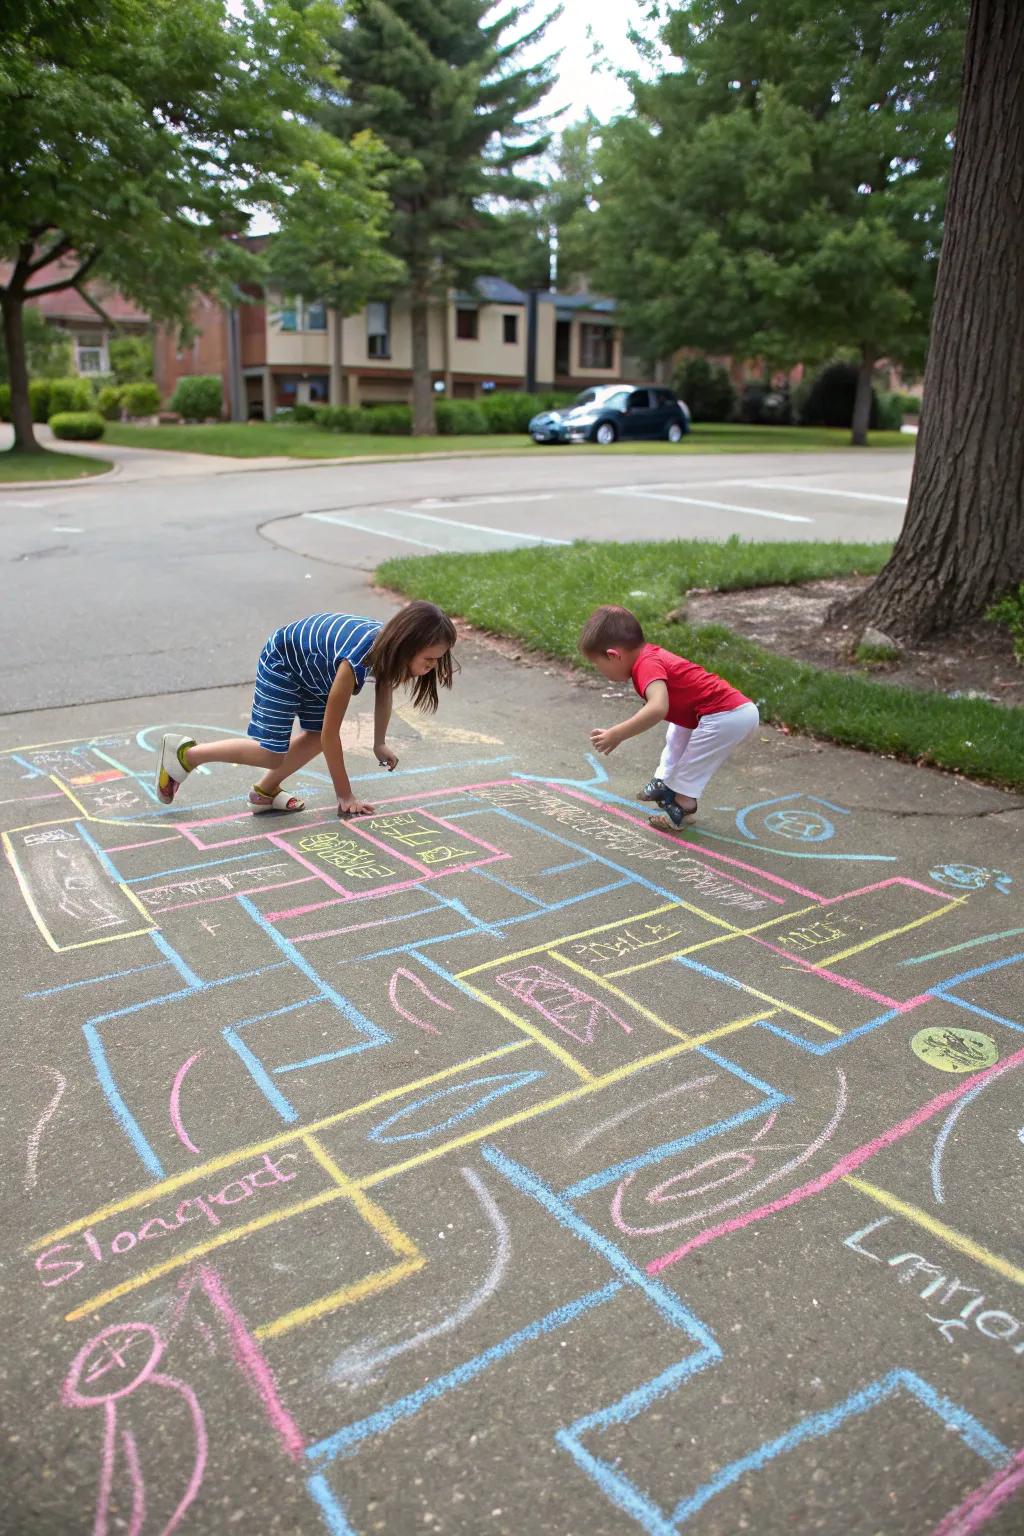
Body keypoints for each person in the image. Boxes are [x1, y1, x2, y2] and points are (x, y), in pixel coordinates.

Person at [155, 602, 457, 818]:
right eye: (429, 659)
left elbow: (384, 690)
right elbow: (331, 736)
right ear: (406, 645)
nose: (431, 667)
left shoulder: (387, 649)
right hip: (285, 662)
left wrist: (379, 742)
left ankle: (264, 793)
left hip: (315, 669)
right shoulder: (354, 661)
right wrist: (345, 796)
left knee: (312, 736)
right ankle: (186, 754)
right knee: (273, 753)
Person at [579, 605, 759, 829]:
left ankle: (683, 805)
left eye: (598, 664)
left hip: (728, 716)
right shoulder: (648, 658)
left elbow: (657, 708)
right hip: (714, 713)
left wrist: (618, 734)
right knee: (676, 734)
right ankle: (664, 781)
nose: (600, 671)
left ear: (614, 656)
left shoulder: (646, 665)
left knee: (694, 759)